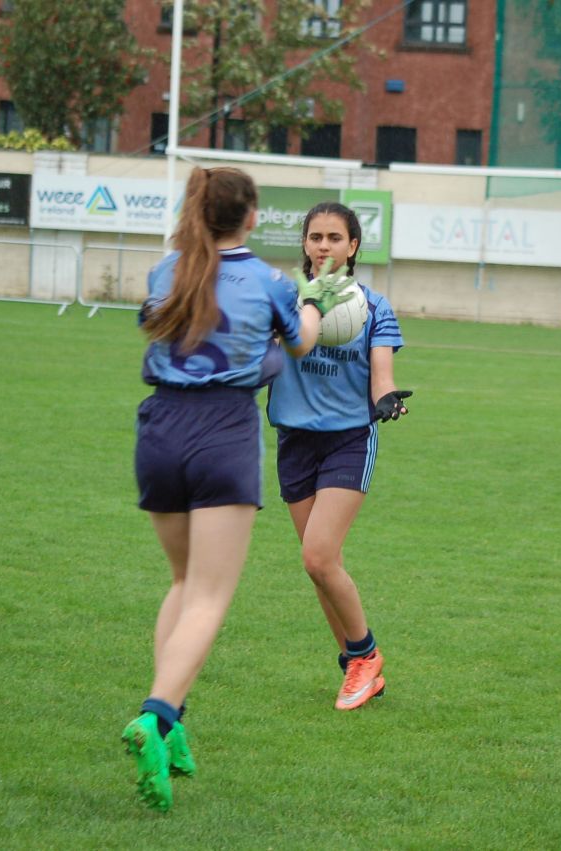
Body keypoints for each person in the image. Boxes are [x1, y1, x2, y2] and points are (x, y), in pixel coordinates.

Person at [121, 167, 352, 812]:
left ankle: (173, 725)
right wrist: (315, 300)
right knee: (210, 597)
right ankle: (156, 715)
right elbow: (302, 343)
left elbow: (166, 327)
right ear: (252, 218)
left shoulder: (166, 271)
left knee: (182, 583)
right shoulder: (270, 281)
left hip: (159, 429)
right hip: (222, 430)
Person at [266, 201, 412, 711]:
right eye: (315, 237)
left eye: (335, 237)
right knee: (321, 566)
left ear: (353, 247)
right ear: (304, 245)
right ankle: (356, 665)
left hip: (349, 438)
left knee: (318, 554)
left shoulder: (374, 306)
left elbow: (382, 373)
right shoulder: (284, 300)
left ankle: (365, 657)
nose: (324, 245)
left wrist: (387, 399)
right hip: (294, 440)